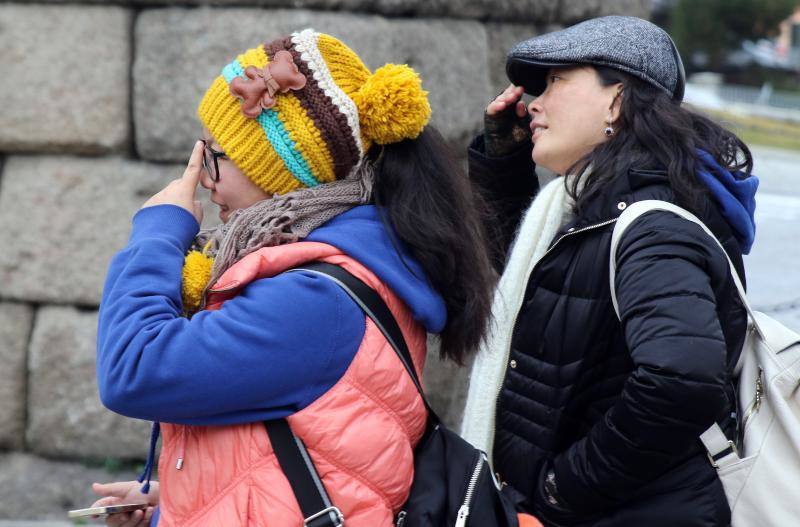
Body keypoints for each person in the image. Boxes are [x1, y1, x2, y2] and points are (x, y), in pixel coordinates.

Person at [90, 29, 496, 527]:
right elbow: (290, 437)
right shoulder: (327, 269)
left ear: (281, 172)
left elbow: (134, 368)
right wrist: (180, 502)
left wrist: (156, 233)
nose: (205, 177)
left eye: (217, 156)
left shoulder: (315, 298)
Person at [461, 16, 759, 527]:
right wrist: (503, 160)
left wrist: (560, 491)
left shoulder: (652, 224)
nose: (533, 102)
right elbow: (551, 286)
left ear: (616, 101)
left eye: (556, 82)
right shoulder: (597, 205)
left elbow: (682, 378)